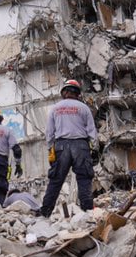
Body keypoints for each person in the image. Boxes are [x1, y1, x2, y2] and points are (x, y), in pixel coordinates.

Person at [40, 79, 98, 217]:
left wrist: (50, 150)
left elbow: (49, 133)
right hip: (81, 146)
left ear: (64, 92)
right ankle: (88, 213)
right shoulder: (84, 108)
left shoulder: (55, 108)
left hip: (61, 146)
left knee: (55, 180)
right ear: (77, 93)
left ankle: (45, 213)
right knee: (84, 179)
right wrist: (94, 149)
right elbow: (92, 131)